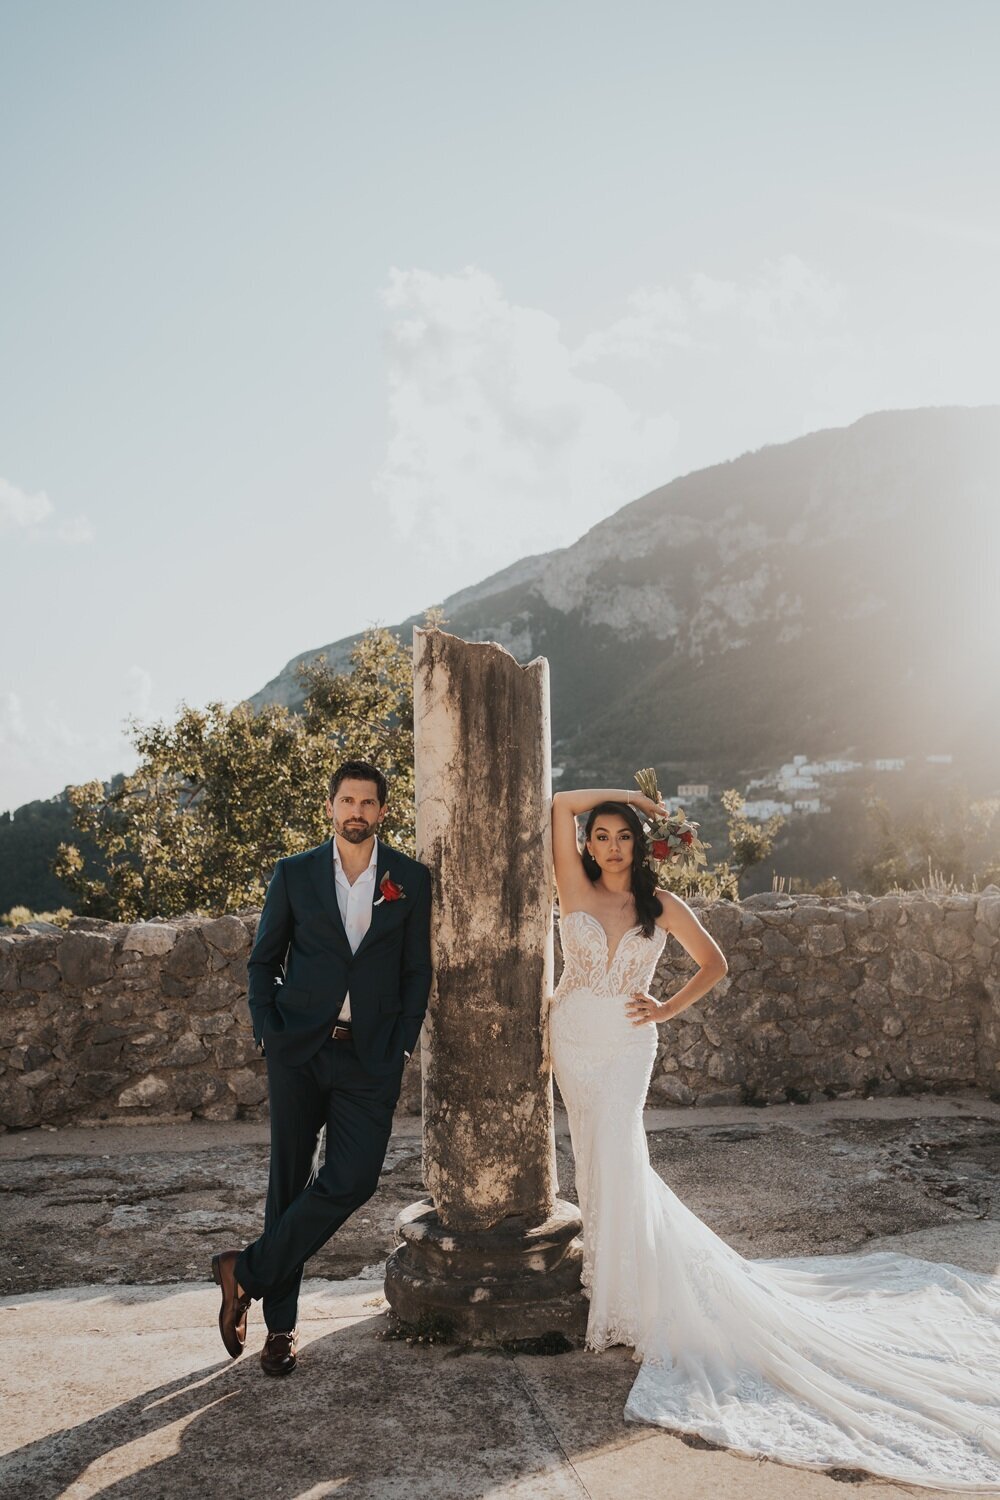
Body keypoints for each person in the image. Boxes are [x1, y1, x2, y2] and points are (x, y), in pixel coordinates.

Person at [549, 786, 1000, 1492]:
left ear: (639, 849)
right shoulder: (571, 883)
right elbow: (556, 804)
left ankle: (626, 1300)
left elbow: (715, 962)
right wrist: (629, 795)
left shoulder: (659, 905)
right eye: (602, 835)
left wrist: (664, 1005)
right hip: (574, 1041)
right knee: (596, 1167)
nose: (611, 846)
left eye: (624, 836)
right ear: (589, 843)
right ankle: (617, 1285)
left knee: (619, 1157)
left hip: (629, 1043)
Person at [211, 758, 432, 1376]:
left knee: (354, 1177)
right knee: (288, 1181)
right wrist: (267, 1031)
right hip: (299, 1050)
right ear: (331, 808)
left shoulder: (410, 879)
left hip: (370, 1058)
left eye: (368, 802)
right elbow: (263, 962)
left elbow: (417, 972)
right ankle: (279, 1330)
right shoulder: (295, 874)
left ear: (383, 812)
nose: (357, 811)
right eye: (347, 801)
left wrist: (403, 1045)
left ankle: (243, 1271)